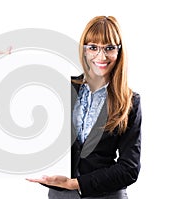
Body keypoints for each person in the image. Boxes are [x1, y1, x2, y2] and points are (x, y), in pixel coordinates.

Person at [26, 16, 142, 199]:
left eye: (109, 48)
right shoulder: (64, 89)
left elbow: (129, 168)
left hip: (106, 194)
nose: (101, 56)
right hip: (60, 194)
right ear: (84, 50)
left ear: (119, 51)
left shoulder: (129, 101)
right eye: (93, 47)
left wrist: (75, 183)